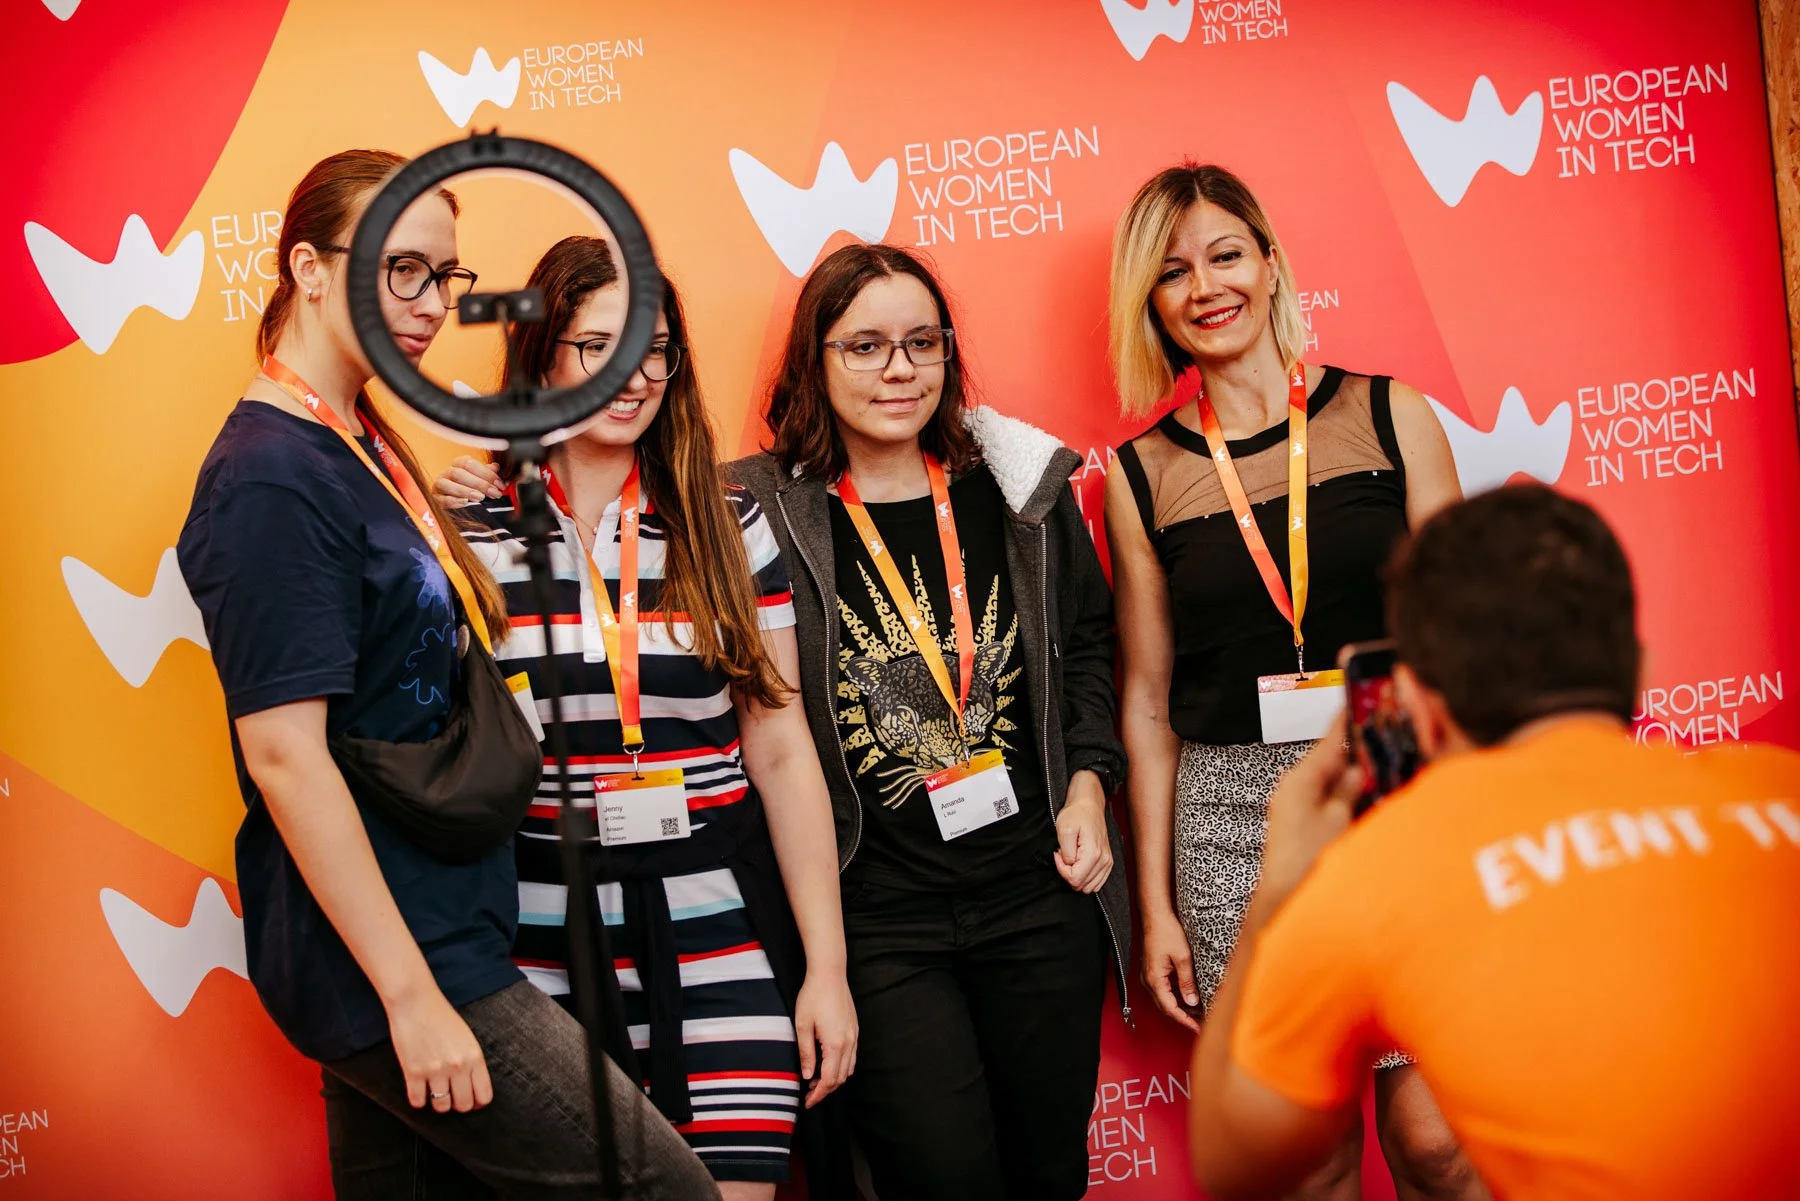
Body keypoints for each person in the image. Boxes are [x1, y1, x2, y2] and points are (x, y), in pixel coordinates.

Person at [177, 152, 717, 1199]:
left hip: (443, 918)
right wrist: (411, 995)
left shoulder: (356, 438)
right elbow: (285, 756)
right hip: (395, 953)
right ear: (310, 269)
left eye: (446, 275)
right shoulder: (270, 475)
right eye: (401, 270)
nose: (430, 304)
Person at [1189, 483, 1800, 1201]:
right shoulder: (1781, 787)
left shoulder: (1379, 875)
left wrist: (1274, 895)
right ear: (1640, 671)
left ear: (1420, 709)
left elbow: (1232, 1162)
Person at [432, 236, 856, 1199]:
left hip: (716, 931)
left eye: (654, 350)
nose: (634, 376)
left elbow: (781, 750)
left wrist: (825, 969)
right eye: (599, 347)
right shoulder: (471, 533)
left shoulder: (728, 522)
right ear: (540, 355)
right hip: (536, 950)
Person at [1103, 162, 1478, 1199]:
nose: (1205, 287)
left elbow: (1466, 636)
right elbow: (1147, 700)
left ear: (1269, 264)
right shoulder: (1142, 473)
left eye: (1226, 254)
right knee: (1309, 1163)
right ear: (1152, 303)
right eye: (1172, 271)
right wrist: (1156, 905)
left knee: (1439, 1141)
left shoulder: (1390, 413)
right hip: (1233, 821)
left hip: (1393, 774)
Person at [729, 242, 1130, 1201]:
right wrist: (488, 485)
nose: (899, 369)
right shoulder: (755, 508)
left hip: (1037, 897)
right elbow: (614, 500)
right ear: (816, 360)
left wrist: (1087, 784)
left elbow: (1086, 645)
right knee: (940, 1179)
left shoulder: (1018, 490)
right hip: (881, 919)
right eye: (864, 346)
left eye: (922, 342)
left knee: (1048, 1177)